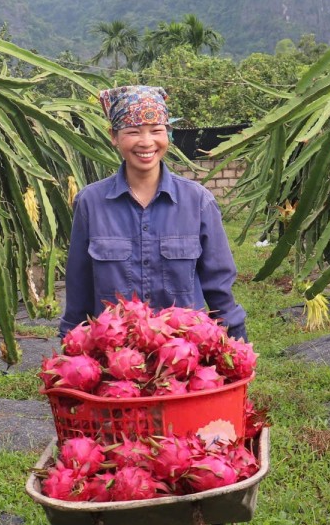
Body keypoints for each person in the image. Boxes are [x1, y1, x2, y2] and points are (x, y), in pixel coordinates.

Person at [60, 85, 247, 341]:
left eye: (157, 131)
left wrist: (237, 344)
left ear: (167, 134)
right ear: (114, 136)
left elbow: (219, 287)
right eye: (133, 132)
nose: (146, 142)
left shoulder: (198, 201)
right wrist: (70, 345)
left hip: (185, 356)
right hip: (115, 358)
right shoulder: (90, 203)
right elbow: (79, 288)